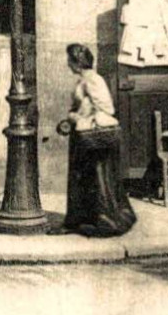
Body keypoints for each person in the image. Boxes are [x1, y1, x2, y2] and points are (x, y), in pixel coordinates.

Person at [51, 43, 136, 237]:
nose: (67, 63)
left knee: (97, 179)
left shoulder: (93, 80)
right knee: (82, 180)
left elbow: (107, 108)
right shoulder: (83, 80)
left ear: (77, 62)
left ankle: (104, 220)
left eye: (69, 60)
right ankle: (80, 221)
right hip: (82, 137)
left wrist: (81, 118)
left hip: (93, 139)